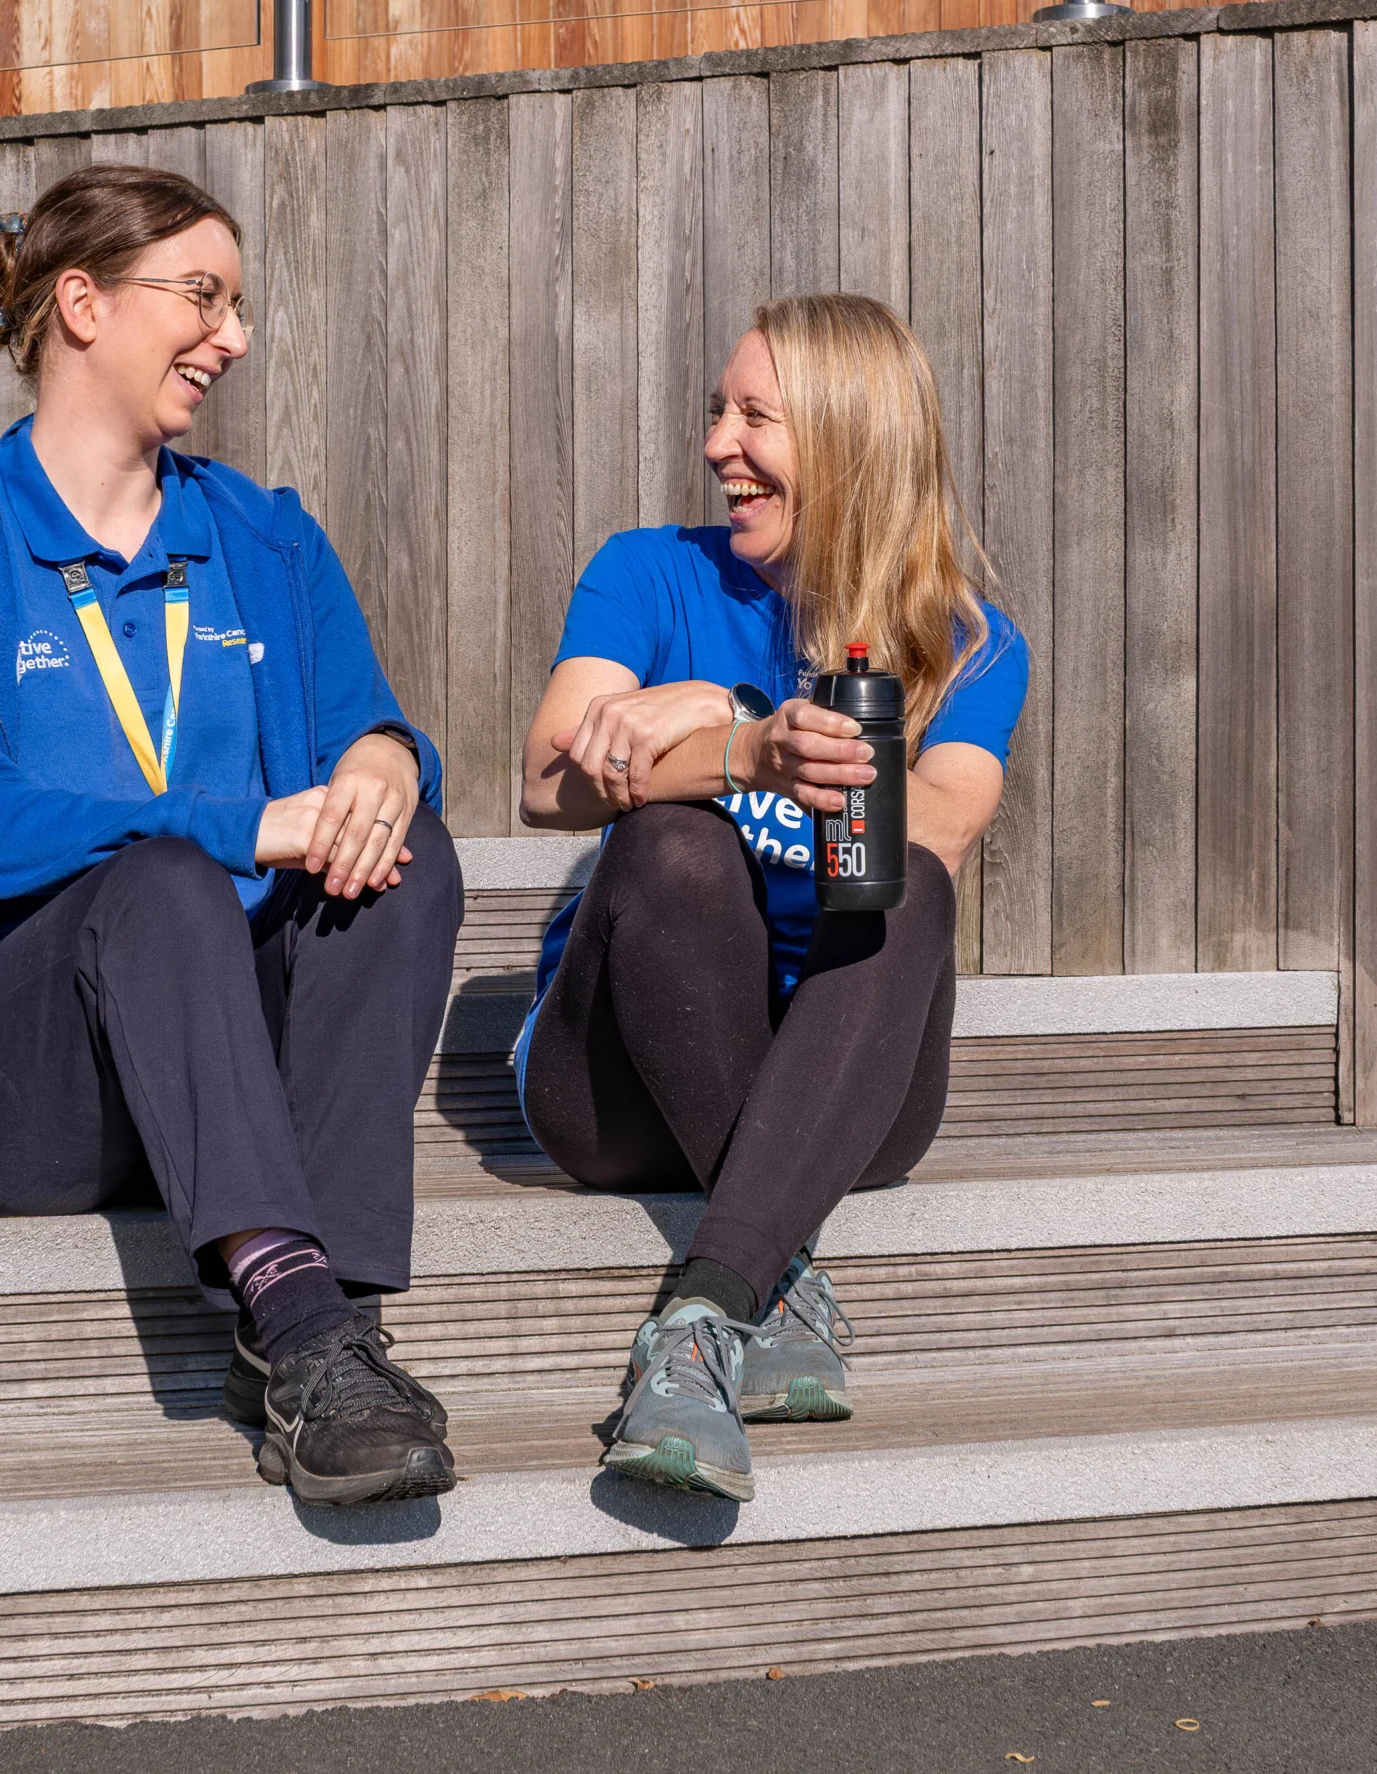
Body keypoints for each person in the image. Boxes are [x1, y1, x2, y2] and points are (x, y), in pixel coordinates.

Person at [0, 165, 463, 1508]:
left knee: (408, 859)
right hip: (39, 1082)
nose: (231, 337)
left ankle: (315, 1311)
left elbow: (368, 722)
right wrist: (233, 819)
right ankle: (308, 1328)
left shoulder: (265, 533)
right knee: (168, 877)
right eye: (203, 296)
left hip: (228, 1069)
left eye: (236, 305)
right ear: (83, 303)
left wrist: (378, 761)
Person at [516, 293, 1030, 1503]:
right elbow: (547, 780)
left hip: (850, 1093)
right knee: (668, 849)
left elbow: (944, 820)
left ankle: (700, 1311)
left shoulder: (964, 638)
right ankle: (762, 1282)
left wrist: (709, 712)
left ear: (849, 437)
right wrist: (740, 751)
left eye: (755, 416)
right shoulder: (647, 572)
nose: (716, 445)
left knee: (903, 884)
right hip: (618, 1084)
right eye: (716, 411)